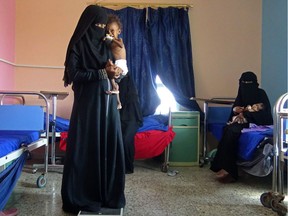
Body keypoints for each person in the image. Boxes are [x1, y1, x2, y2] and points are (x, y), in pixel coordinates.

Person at [61, 5, 126, 214]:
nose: (100, 30)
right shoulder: (77, 46)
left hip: (108, 106)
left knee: (110, 146)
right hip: (87, 108)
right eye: (96, 25)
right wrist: (101, 74)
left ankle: (108, 195)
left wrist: (117, 71)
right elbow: (75, 75)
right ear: (87, 25)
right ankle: (83, 196)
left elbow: (119, 74)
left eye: (102, 26)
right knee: (86, 149)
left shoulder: (107, 45)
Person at [210, 71, 273, 183]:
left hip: (257, 123)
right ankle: (224, 166)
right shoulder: (241, 94)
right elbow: (233, 112)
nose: (246, 85)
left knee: (232, 132)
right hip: (242, 122)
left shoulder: (261, 94)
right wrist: (237, 112)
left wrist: (247, 114)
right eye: (244, 83)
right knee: (227, 129)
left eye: (249, 83)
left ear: (256, 84)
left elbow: (264, 114)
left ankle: (230, 171)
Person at [104, 14, 128, 109]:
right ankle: (119, 103)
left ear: (119, 31)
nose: (111, 33)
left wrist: (112, 39)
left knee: (111, 70)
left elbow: (121, 45)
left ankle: (114, 87)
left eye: (113, 30)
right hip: (117, 64)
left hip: (121, 65)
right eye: (109, 31)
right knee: (109, 66)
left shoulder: (119, 40)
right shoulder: (110, 43)